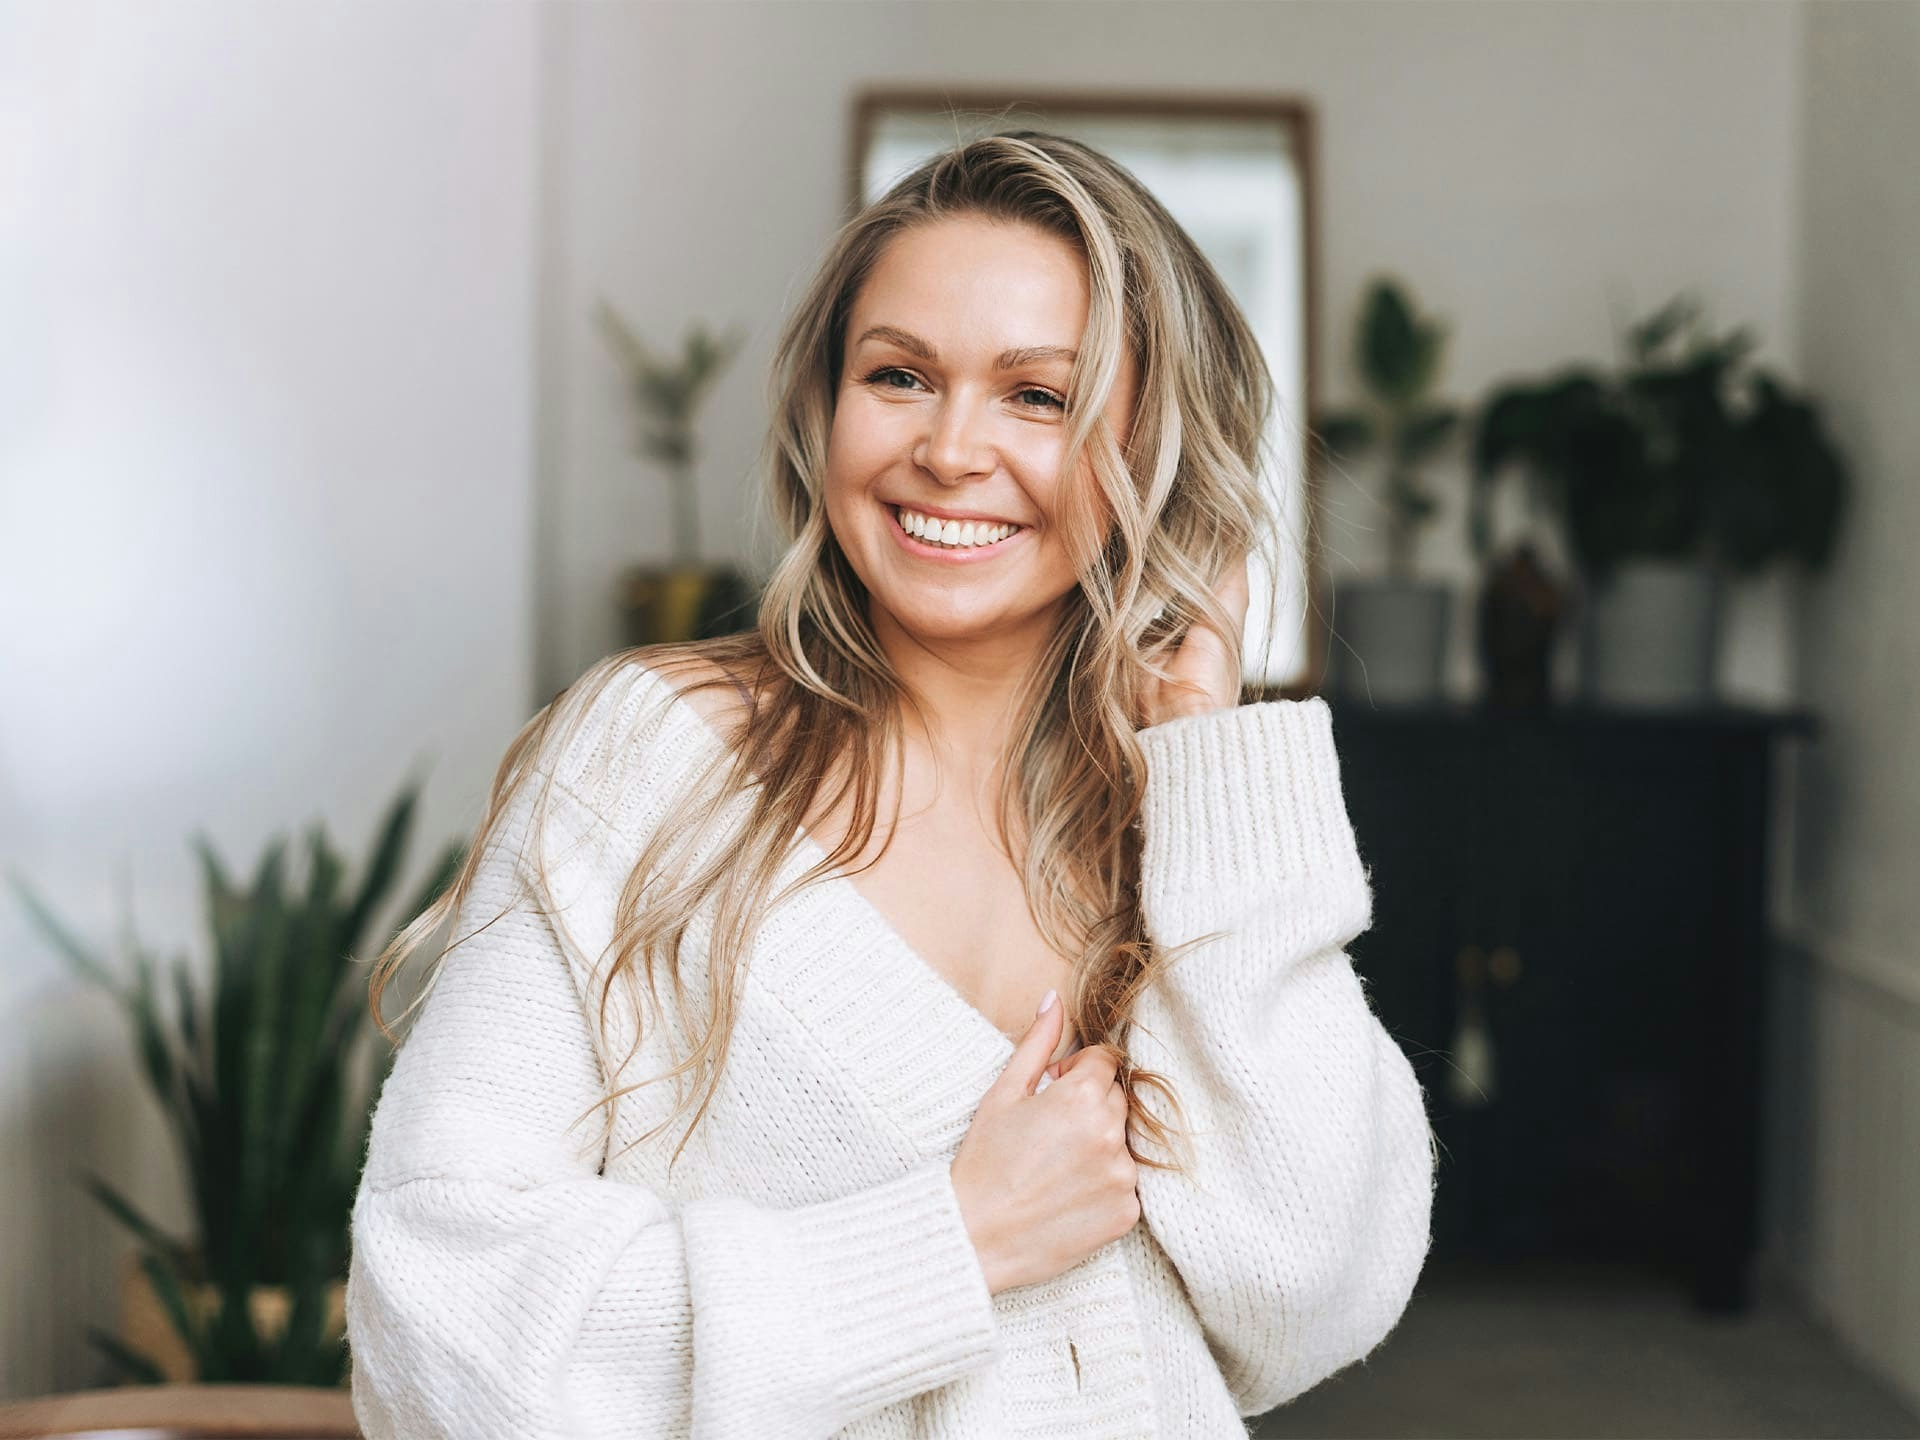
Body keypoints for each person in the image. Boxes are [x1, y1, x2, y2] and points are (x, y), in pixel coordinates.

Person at [345, 130, 1437, 1440]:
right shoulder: (651, 762)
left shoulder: (1178, 820)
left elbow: (1312, 1292)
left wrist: (1211, 754)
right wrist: (950, 1244)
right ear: (827, 406)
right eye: (901, 376)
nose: (950, 449)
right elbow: (436, 1310)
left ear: (1148, 451)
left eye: (1039, 395)